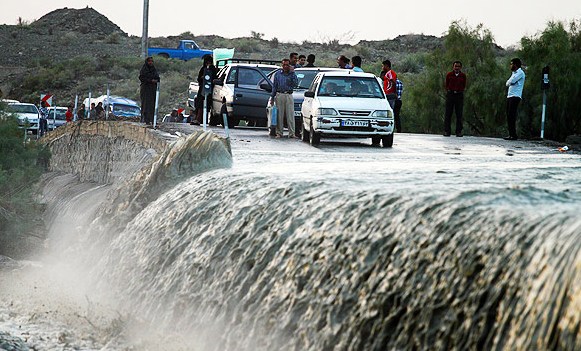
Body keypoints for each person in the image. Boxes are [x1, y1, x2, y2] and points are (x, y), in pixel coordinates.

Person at [269, 58, 298, 138]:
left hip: (288, 95)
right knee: (279, 115)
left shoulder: (291, 74)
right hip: (279, 95)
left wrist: (292, 73)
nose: (285, 66)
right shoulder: (278, 74)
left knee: (290, 115)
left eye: (287, 65)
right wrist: (272, 97)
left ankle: (292, 133)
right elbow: (274, 86)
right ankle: (279, 133)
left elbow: (295, 83)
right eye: (284, 65)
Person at [504, 58, 526, 140]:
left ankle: (513, 135)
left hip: (515, 96)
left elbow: (511, 81)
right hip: (510, 96)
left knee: (512, 115)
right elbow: (507, 83)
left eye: (511, 64)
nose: (510, 66)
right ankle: (511, 134)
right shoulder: (514, 73)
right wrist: (509, 82)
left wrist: (510, 82)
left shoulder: (520, 73)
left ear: (515, 65)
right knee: (509, 115)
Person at [444, 61, 467, 137]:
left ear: (460, 67)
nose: (457, 68)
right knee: (448, 113)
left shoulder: (463, 76)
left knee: (459, 114)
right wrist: (449, 90)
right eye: (455, 66)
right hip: (450, 94)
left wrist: (460, 90)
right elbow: (446, 84)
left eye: (458, 66)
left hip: (459, 95)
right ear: (453, 67)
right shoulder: (449, 75)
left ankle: (458, 131)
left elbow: (464, 85)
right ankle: (447, 131)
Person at [194, 54, 217, 124]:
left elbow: (214, 78)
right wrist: (202, 77)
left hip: (209, 89)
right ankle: (198, 119)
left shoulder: (213, 69)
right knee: (200, 105)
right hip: (202, 89)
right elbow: (199, 78)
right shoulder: (203, 69)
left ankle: (204, 120)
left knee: (206, 105)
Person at [139, 56, 160, 125]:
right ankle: (145, 119)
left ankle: (152, 119)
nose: (150, 63)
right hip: (145, 89)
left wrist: (155, 80)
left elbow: (157, 78)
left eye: (151, 61)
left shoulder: (154, 69)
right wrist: (150, 80)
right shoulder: (144, 69)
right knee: (145, 104)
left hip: (153, 90)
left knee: (152, 104)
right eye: (149, 61)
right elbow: (142, 77)